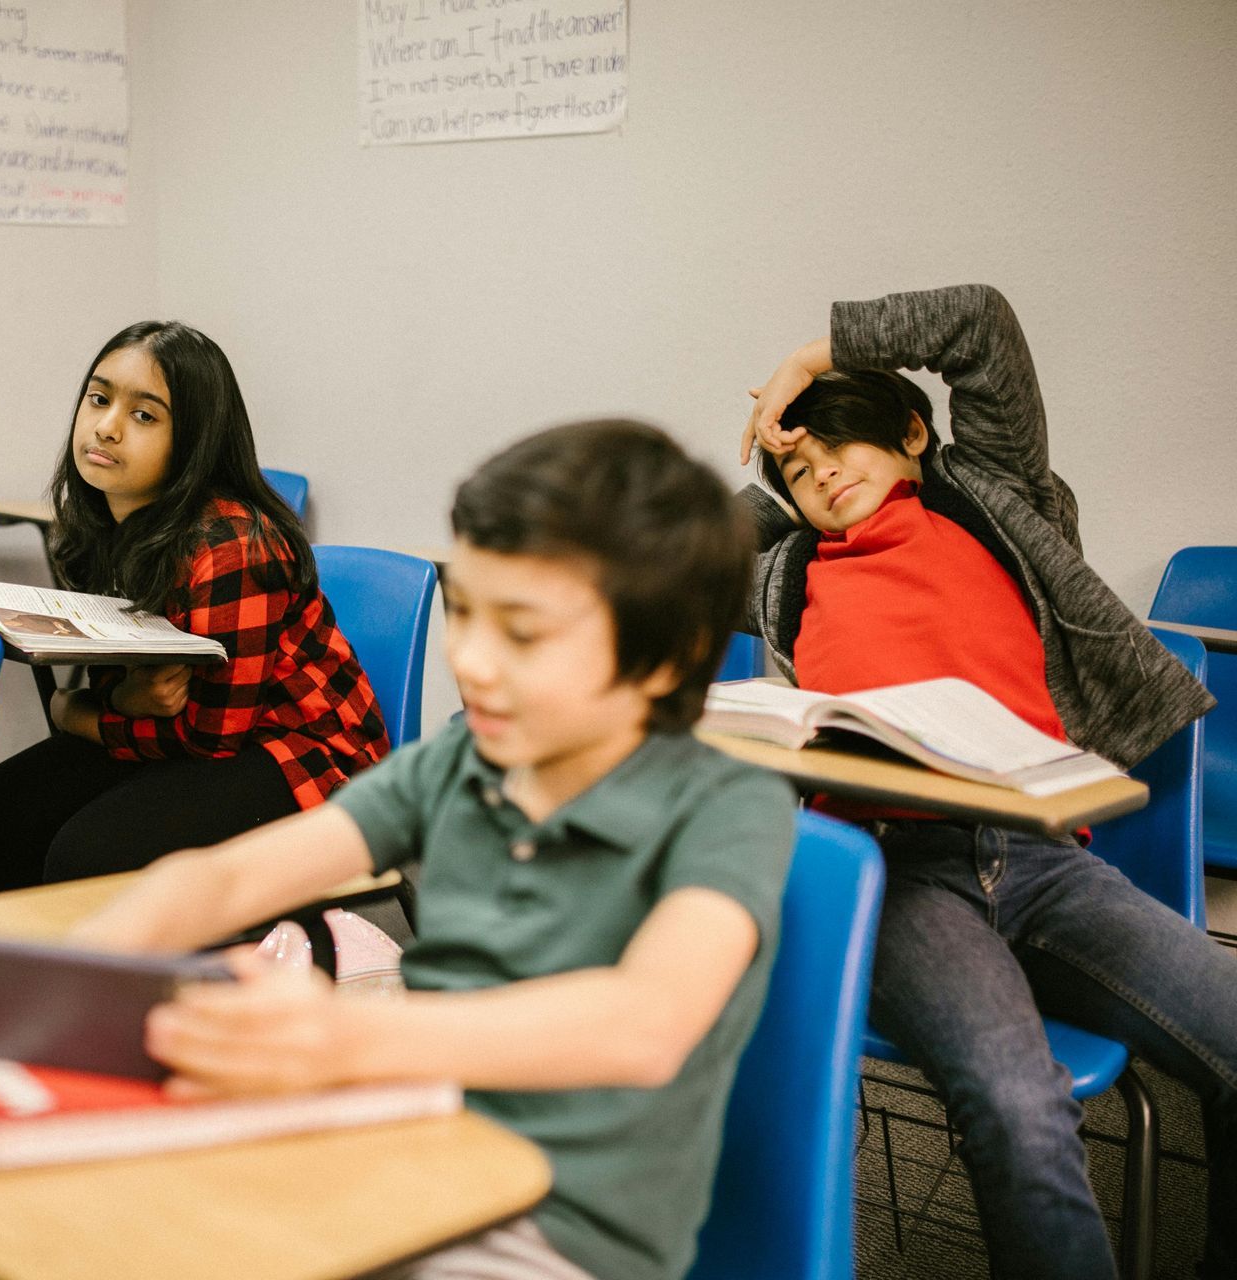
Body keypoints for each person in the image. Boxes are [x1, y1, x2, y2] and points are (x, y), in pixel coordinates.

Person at [65, 421, 796, 1280]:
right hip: (406, 1150)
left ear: (664, 658)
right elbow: (228, 876)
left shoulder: (728, 806)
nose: (471, 663)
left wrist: (345, 1037)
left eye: (521, 634)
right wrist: (71, 979)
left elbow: (643, 1023)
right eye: (466, 614)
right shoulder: (463, 760)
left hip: (554, 1233)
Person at [739, 283, 1235, 1280]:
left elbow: (981, 327)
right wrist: (768, 464)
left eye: (840, 441)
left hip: (1048, 860)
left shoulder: (998, 501)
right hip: (902, 873)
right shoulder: (786, 569)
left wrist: (813, 358)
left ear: (914, 433)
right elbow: (662, 552)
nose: (821, 468)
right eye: (798, 466)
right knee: (1019, 1104)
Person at [0, 321, 388, 890]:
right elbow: (136, 679)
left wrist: (78, 715)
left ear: (195, 441)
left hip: (305, 758)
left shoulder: (233, 546)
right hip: (197, 737)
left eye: (144, 416)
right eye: (99, 399)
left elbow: (211, 736)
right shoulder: (104, 521)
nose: (106, 427)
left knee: (85, 855)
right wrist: (121, 699)